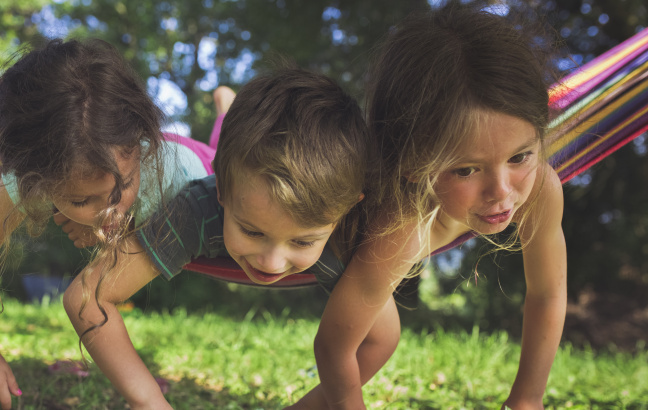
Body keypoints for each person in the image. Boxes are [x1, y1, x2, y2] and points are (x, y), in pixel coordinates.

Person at [62, 66, 387, 409]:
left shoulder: (345, 234)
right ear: (221, 195)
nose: (272, 262)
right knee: (215, 153)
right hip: (201, 163)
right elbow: (86, 297)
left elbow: (380, 340)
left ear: (346, 212)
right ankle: (225, 110)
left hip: (229, 171)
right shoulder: (196, 208)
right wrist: (150, 403)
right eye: (251, 230)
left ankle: (226, 111)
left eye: (303, 242)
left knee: (225, 151)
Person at [0, 37, 234, 410]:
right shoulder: (31, 175)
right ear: (37, 181)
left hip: (202, 164)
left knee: (230, 151)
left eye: (123, 186)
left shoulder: (183, 181)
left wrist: (102, 225)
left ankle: (228, 109)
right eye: (81, 200)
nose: (109, 209)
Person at [302, 5, 567, 409]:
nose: (500, 192)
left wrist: (527, 400)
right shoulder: (402, 227)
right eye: (466, 170)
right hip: (321, 231)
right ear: (413, 165)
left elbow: (548, 293)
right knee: (379, 343)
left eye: (520, 157)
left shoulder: (542, 189)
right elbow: (334, 347)